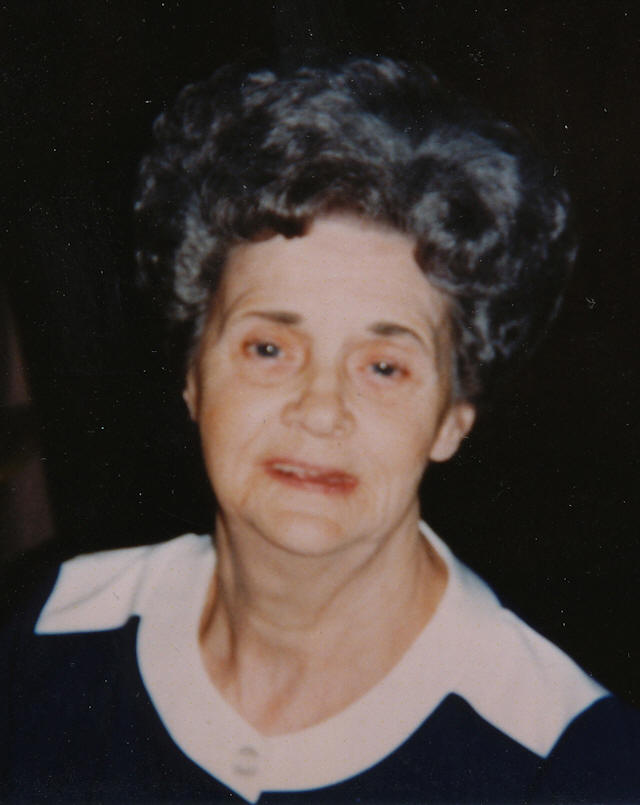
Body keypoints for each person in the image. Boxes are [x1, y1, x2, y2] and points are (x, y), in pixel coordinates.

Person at [2, 57, 639, 804]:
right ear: (194, 375)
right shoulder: (51, 634)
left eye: (384, 367)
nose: (320, 410)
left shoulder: (566, 761)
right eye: (268, 349)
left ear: (451, 418)